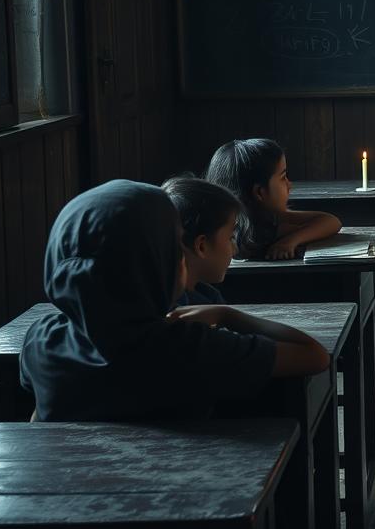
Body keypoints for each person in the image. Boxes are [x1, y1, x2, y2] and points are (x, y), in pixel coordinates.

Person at [19, 179, 330, 421]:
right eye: (170, 247)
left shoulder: (42, 340)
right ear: (151, 266)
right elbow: (314, 355)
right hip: (184, 498)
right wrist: (226, 315)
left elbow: (40, 423)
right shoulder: (185, 348)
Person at [205, 137, 340, 260]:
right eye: (283, 178)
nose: (289, 184)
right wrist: (290, 240)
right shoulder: (271, 229)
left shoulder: (218, 230)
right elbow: (331, 222)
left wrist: (291, 240)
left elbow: (331, 222)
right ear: (259, 193)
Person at [161, 175, 239, 305]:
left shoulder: (207, 294)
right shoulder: (186, 314)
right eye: (231, 238)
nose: (235, 250)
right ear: (202, 246)